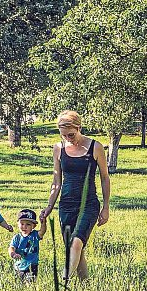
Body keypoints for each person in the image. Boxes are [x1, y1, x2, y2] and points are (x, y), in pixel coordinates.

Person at [40, 110, 110, 281]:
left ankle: (64, 281)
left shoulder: (95, 147)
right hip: (66, 205)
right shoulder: (58, 148)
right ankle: (85, 285)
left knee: (76, 242)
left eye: (71, 134)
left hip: (88, 204)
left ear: (79, 127)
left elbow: (104, 178)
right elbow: (56, 181)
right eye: (64, 135)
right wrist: (49, 206)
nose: (68, 138)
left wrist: (106, 207)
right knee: (75, 248)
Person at [9, 209, 47, 282]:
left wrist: (43, 223)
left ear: (34, 226)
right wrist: (13, 253)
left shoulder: (35, 235)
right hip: (19, 266)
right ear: (18, 224)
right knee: (19, 284)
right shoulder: (17, 237)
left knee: (31, 283)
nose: (24, 227)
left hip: (32, 265)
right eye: (22, 224)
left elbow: (42, 231)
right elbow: (11, 247)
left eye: (28, 224)